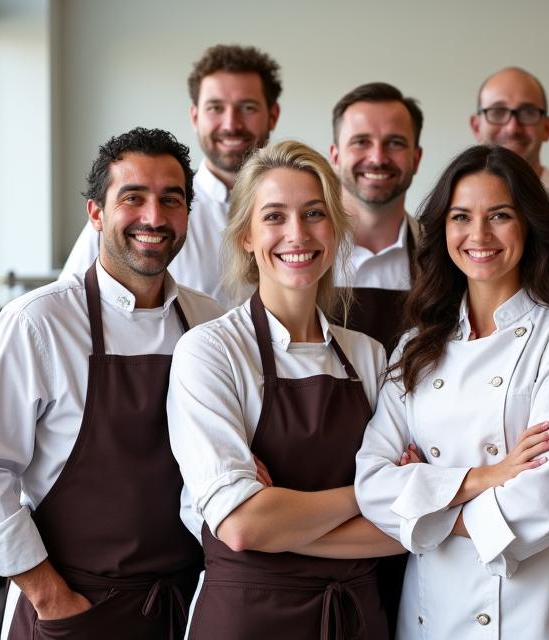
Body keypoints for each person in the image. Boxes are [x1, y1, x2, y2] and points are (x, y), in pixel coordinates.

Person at [0, 128, 223, 639]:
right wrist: (50, 597)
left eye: (172, 199)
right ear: (96, 213)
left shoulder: (208, 321)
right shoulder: (37, 323)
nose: (153, 217)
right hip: (72, 610)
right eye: (133, 198)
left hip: (185, 606)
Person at [355, 145, 549, 639]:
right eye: (461, 217)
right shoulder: (416, 346)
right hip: (431, 611)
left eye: (500, 216)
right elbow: (371, 485)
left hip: (527, 610)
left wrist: (427, 496)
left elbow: (541, 506)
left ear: (529, 225)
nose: (479, 235)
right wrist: (486, 476)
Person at [167, 140, 402, 639]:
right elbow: (242, 527)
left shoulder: (369, 356)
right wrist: (374, 494)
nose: (297, 233)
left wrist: (280, 520)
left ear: (336, 229)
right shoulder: (210, 352)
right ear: (246, 236)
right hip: (246, 618)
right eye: (274, 216)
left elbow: (406, 527)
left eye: (314, 213)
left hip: (357, 618)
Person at [61, 44, 282, 307]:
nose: (231, 124)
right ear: (195, 116)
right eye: (215, 108)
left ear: (272, 115)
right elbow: (67, 304)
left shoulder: (304, 212)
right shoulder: (132, 214)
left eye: (247, 108)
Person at [329, 82, 423, 353]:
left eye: (394, 143)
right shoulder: (300, 252)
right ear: (335, 156)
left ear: (416, 158)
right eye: (361, 142)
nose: (378, 158)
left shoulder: (442, 257)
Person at [469, 67, 549, 210]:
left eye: (527, 112)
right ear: (476, 127)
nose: (512, 128)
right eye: (498, 112)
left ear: (547, 128)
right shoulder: (450, 207)